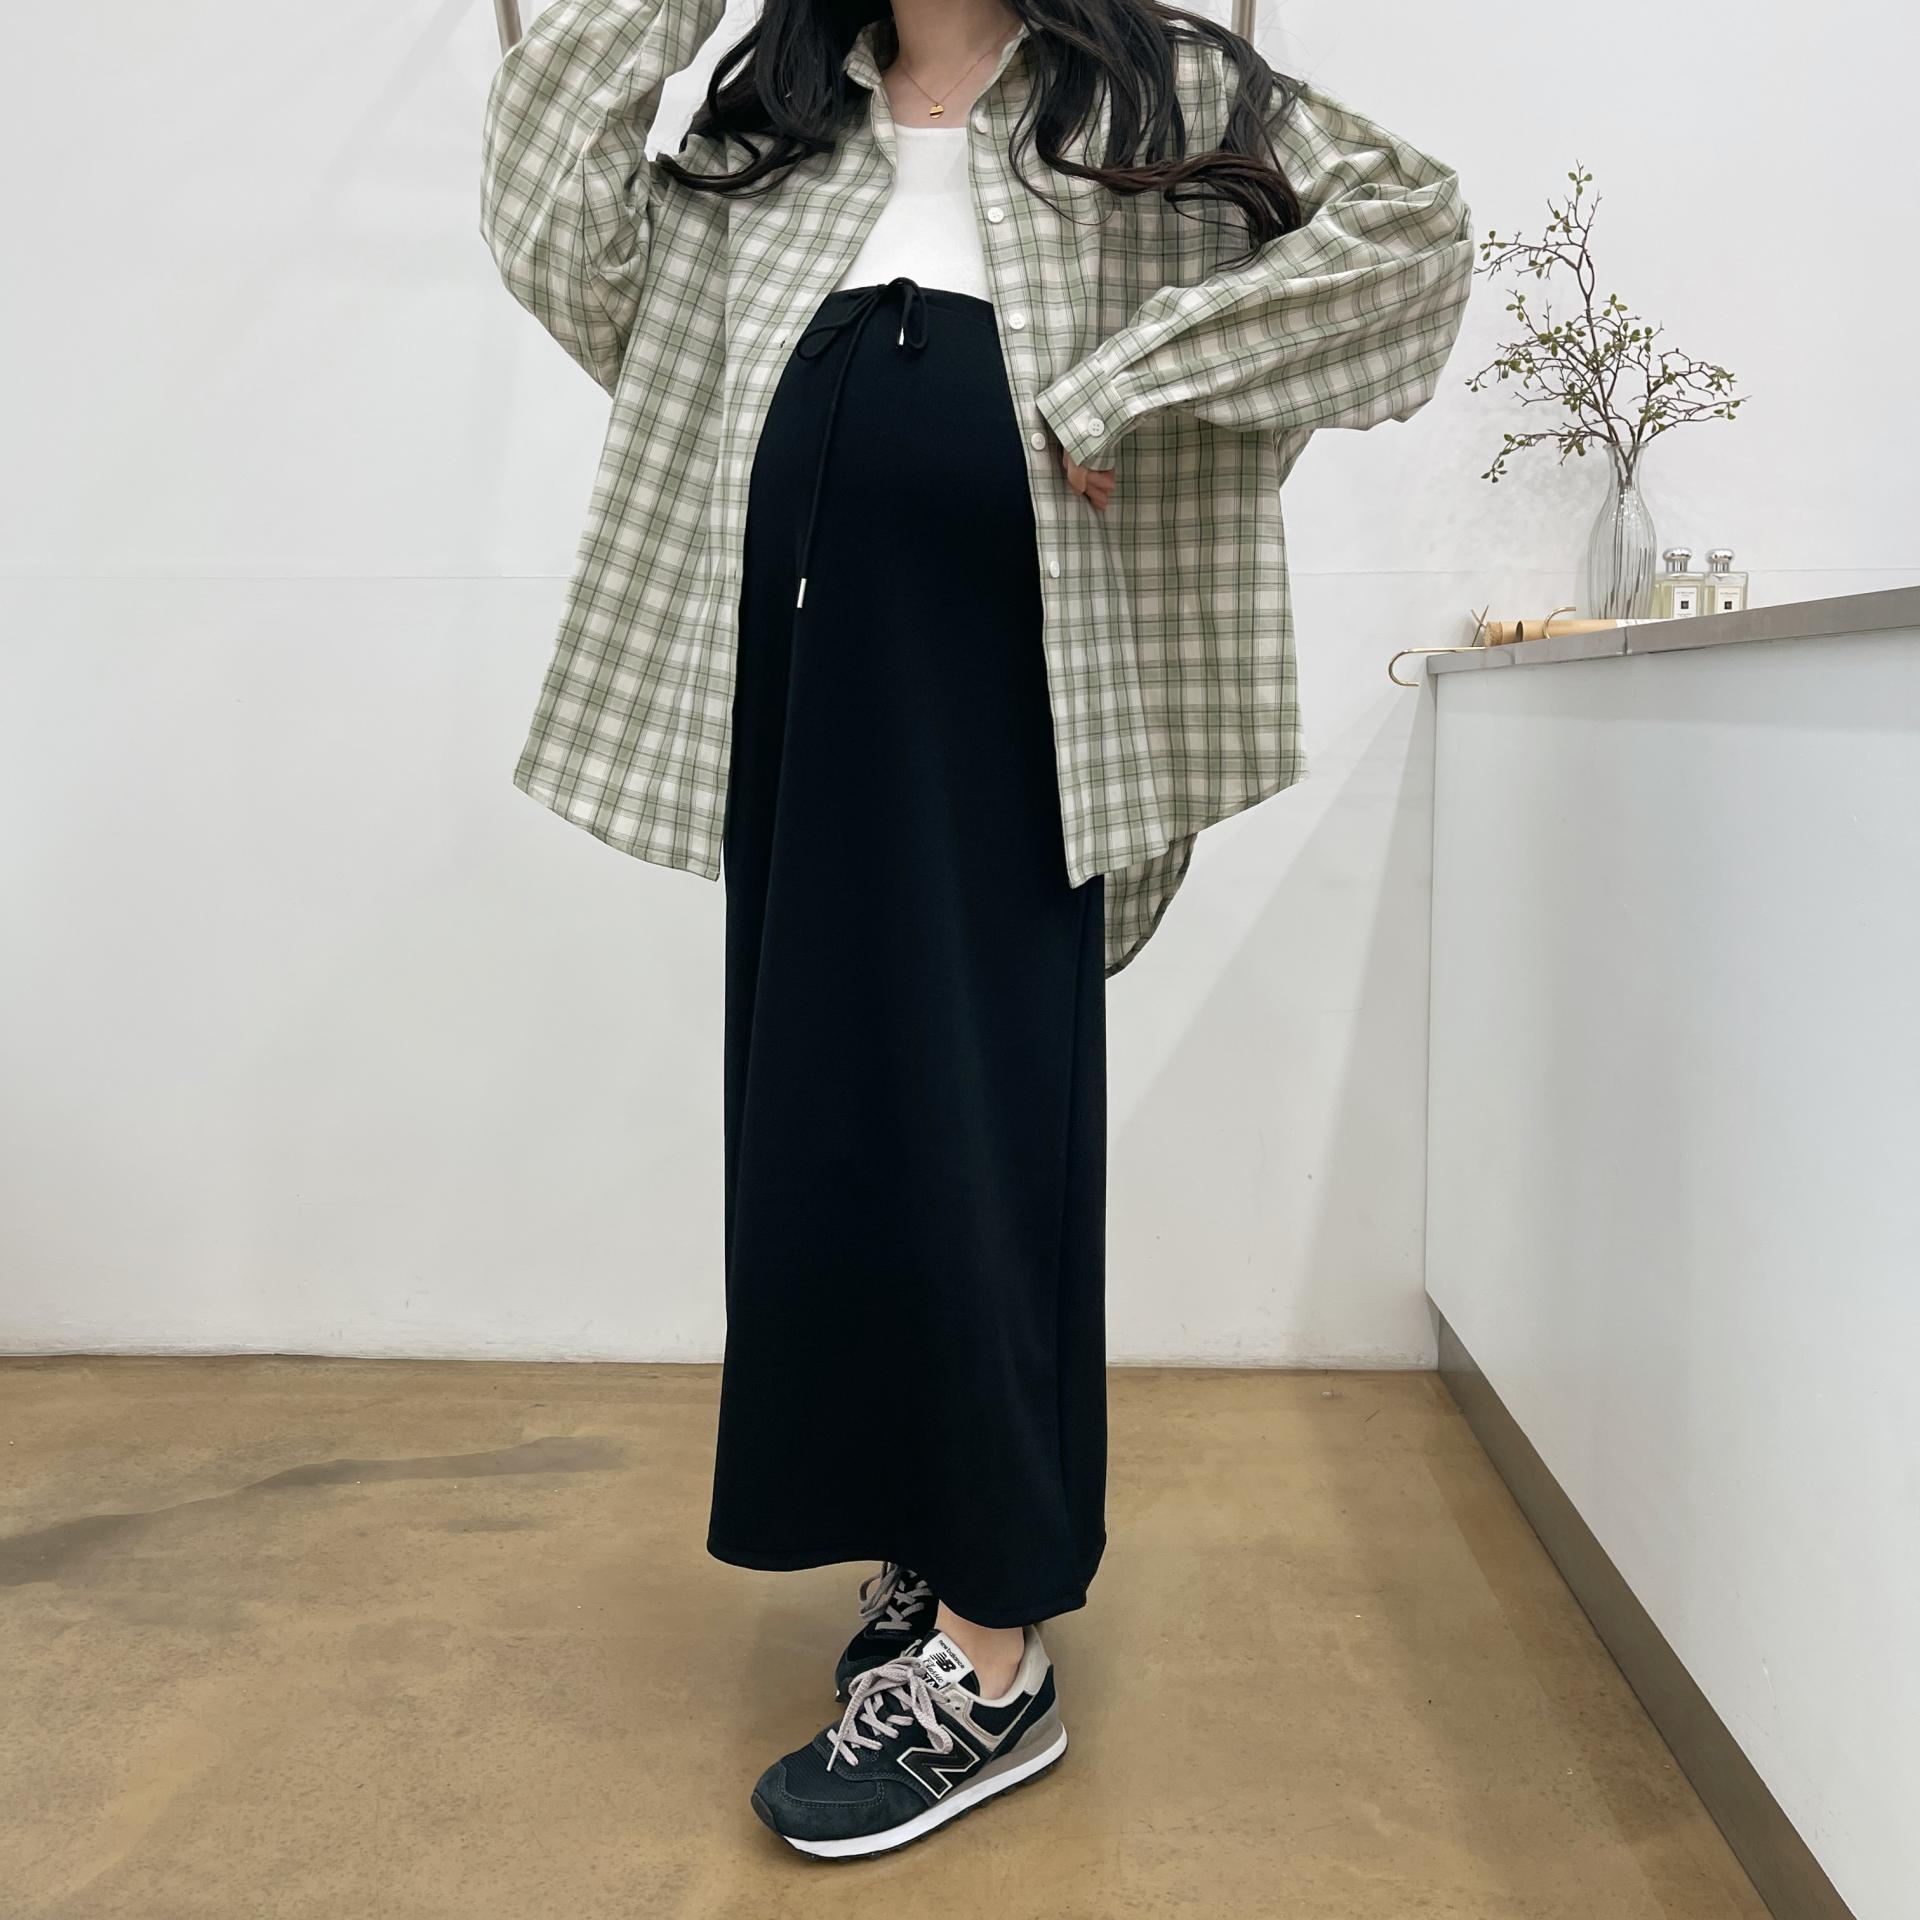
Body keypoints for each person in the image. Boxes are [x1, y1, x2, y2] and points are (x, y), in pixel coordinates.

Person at [480, 0, 1471, 1859]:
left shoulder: (1152, 93)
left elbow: (1413, 240)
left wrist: (1131, 377)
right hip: (805, 705)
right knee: (829, 1141)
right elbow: (547, 216)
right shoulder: (776, 126)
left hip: (1021, 712)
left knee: (982, 1144)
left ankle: (997, 1658)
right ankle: (928, 1545)